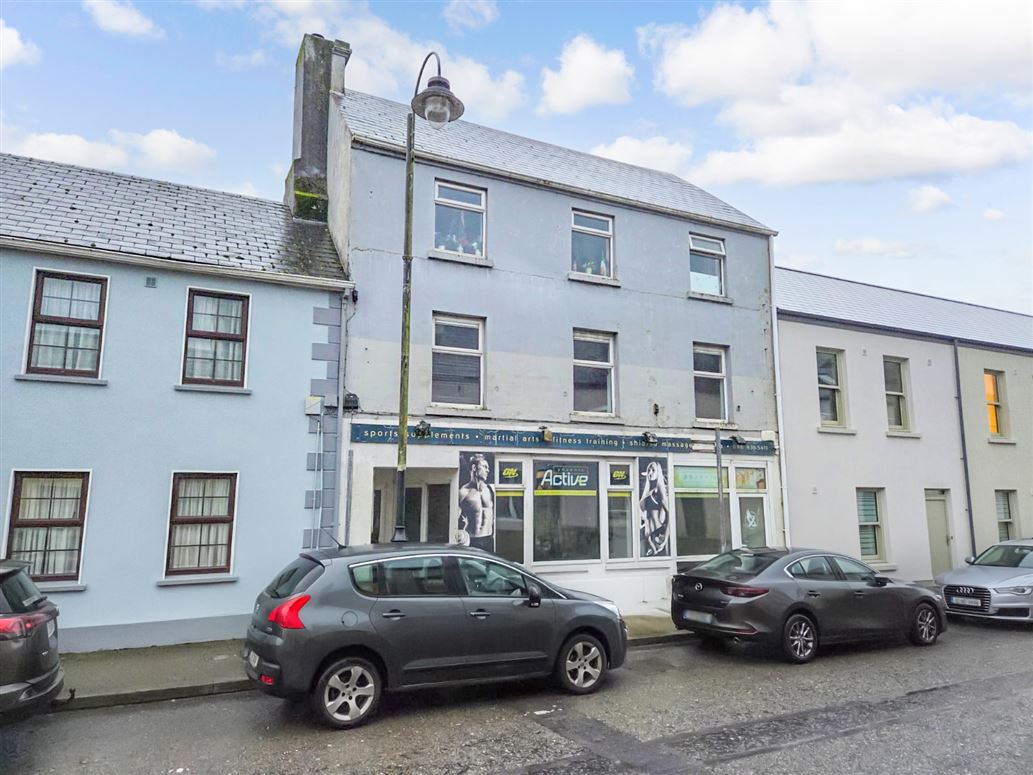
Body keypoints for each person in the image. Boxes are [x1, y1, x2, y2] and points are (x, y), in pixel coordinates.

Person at [459, 453, 495, 551]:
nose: (488, 470)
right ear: (474, 467)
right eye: (484, 467)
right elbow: (454, 516)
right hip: (473, 540)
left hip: (489, 539)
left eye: (488, 467)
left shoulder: (491, 490)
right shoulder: (464, 492)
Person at [639, 460, 669, 556]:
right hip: (648, 533)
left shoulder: (659, 491)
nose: (650, 473)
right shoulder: (647, 490)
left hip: (658, 532)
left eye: (653, 470)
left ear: (658, 472)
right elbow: (643, 511)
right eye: (649, 470)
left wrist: (665, 538)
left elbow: (670, 516)